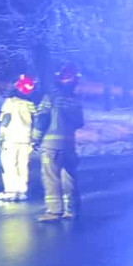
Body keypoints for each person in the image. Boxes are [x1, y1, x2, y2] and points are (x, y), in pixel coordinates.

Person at [32, 63, 85, 222]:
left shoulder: (51, 98)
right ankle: (72, 209)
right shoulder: (75, 101)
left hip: (51, 146)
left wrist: (35, 139)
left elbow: (41, 119)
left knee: (51, 178)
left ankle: (54, 211)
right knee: (69, 177)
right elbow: (79, 123)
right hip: (69, 145)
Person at [0, 74, 37, 202]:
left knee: (9, 164)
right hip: (26, 139)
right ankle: (22, 190)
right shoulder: (31, 104)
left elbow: (5, 119)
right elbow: (35, 120)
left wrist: (1, 135)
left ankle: (10, 190)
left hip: (11, 137)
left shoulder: (10, 102)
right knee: (22, 165)